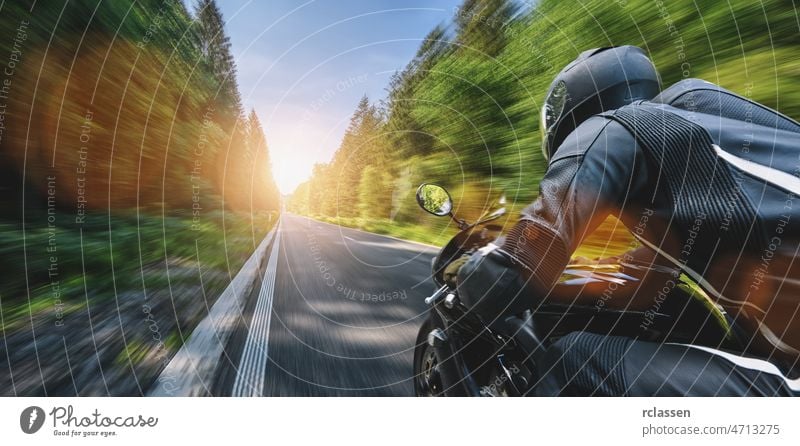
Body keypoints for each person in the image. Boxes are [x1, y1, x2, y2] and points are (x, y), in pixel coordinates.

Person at [456, 45, 800, 396]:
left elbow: (524, 258)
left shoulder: (613, 128)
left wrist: (470, 277)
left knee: (575, 362)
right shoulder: (705, 124)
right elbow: (655, 267)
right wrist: (589, 268)